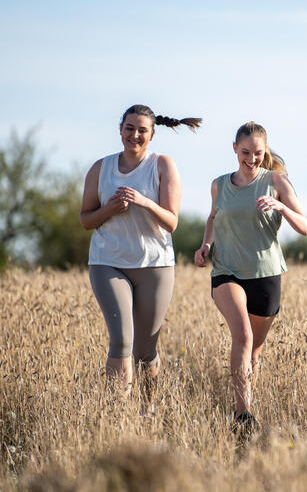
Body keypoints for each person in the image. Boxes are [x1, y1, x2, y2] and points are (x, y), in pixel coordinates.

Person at [80, 104, 201, 410]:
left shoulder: (162, 165)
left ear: (152, 134)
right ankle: (118, 416)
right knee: (121, 341)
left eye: (142, 130)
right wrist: (111, 208)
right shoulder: (100, 168)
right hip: (108, 261)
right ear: (120, 130)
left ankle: (148, 412)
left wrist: (145, 202)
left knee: (146, 350)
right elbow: (86, 219)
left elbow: (171, 222)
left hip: (154, 264)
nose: (135, 135)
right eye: (129, 128)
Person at [194, 121, 307, 436]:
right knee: (243, 338)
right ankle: (243, 414)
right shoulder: (219, 184)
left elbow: (304, 227)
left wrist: (281, 206)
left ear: (265, 152)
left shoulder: (276, 181)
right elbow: (213, 218)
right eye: (245, 152)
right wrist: (206, 245)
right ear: (235, 149)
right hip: (226, 271)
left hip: (266, 274)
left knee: (255, 349)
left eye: (258, 153)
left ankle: (249, 409)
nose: (251, 159)